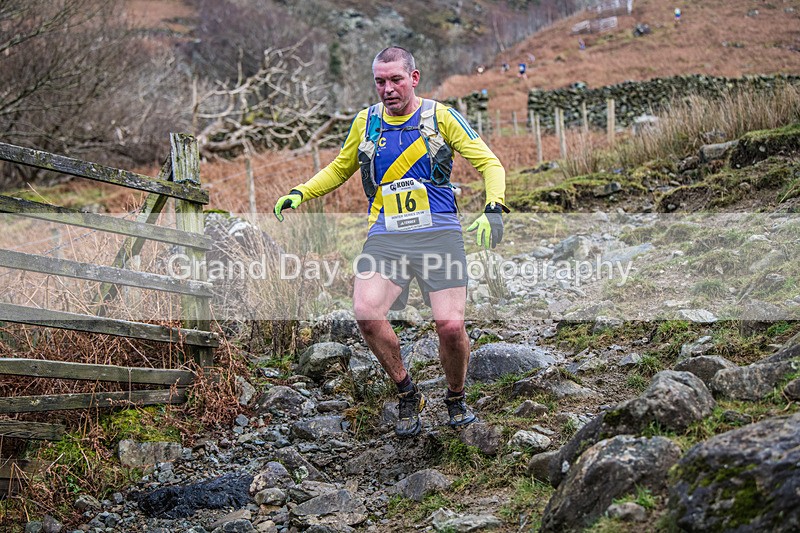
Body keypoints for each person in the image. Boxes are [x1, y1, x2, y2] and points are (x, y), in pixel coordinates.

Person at [273, 46, 508, 437]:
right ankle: (407, 392)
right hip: (388, 235)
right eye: (380, 81)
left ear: (413, 78)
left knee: (450, 326)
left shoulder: (441, 117)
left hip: (439, 233)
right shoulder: (366, 123)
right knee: (366, 313)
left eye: (396, 79)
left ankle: (455, 397)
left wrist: (494, 207)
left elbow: (489, 163)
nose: (388, 89)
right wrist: (301, 192)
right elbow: (340, 167)